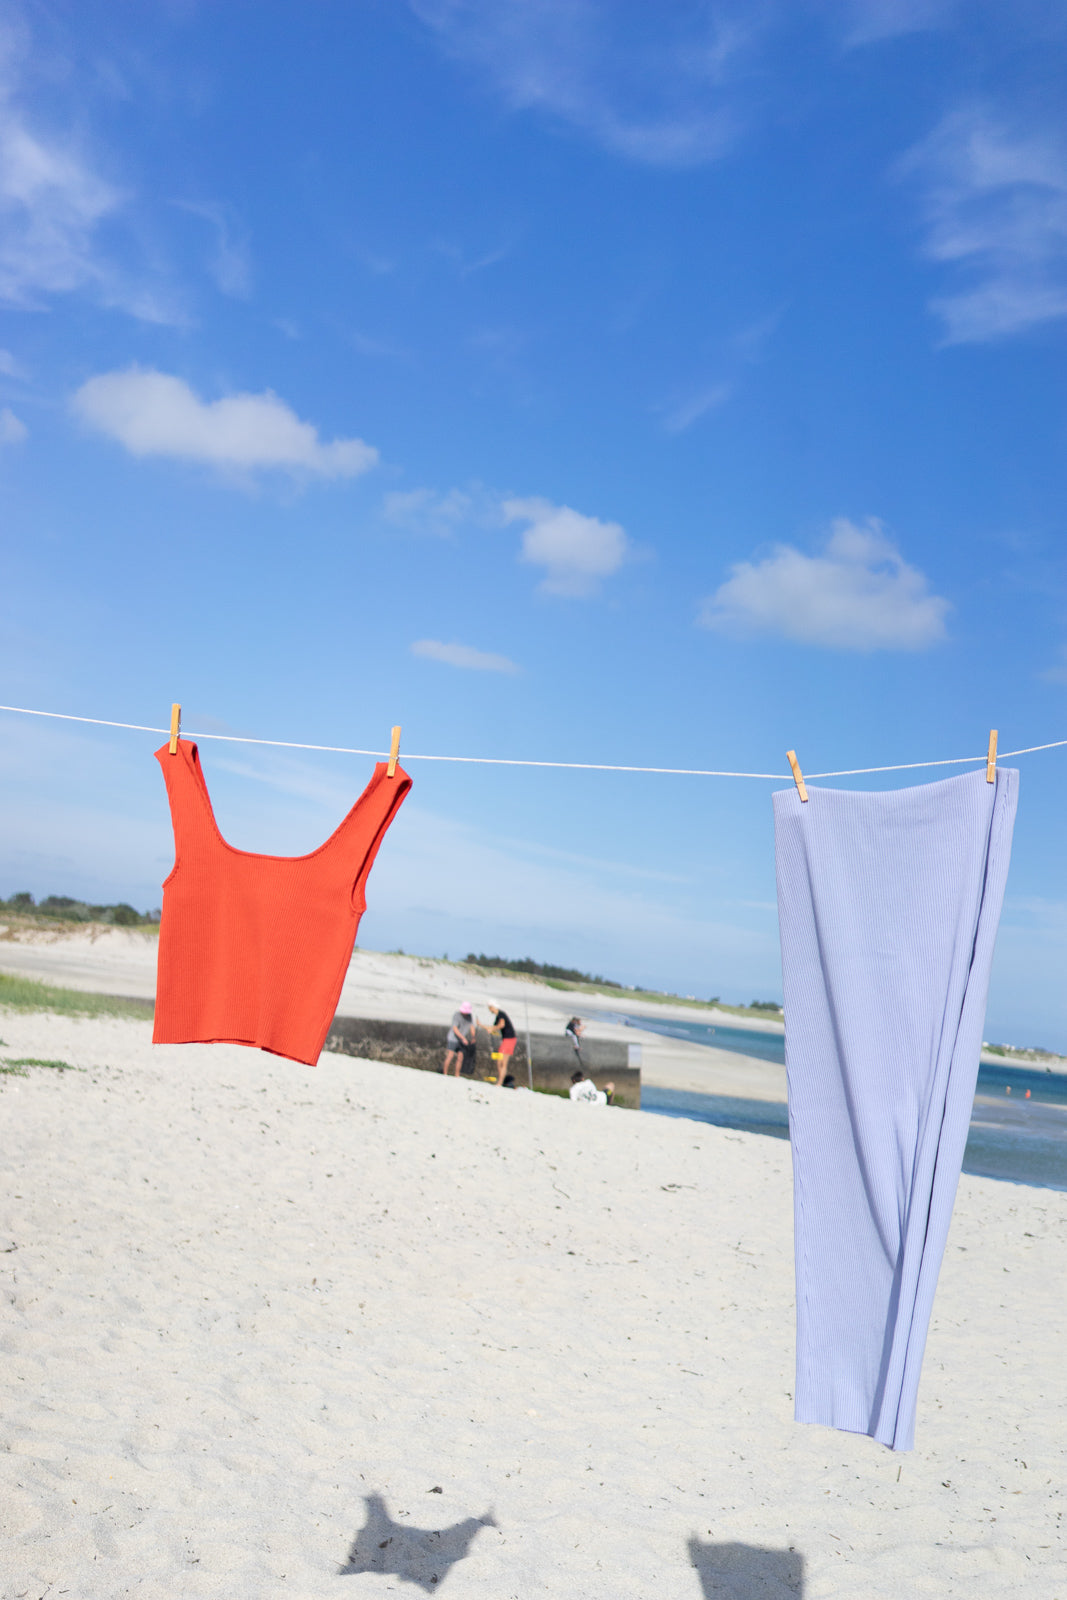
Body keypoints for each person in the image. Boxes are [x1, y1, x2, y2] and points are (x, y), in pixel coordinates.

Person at [486, 999, 517, 1086]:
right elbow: (495, 1027)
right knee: (500, 1062)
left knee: (502, 1062)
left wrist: (492, 1029)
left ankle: (500, 1082)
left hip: (509, 1039)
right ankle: (500, 1081)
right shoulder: (498, 1016)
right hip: (507, 1039)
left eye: (489, 1008)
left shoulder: (501, 1014)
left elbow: (501, 1025)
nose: (489, 1010)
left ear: (492, 1007)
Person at [443, 1002, 476, 1076]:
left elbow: (471, 1026)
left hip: (462, 1040)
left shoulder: (469, 1016)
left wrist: (473, 1036)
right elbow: (455, 1029)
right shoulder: (457, 1015)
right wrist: (463, 1038)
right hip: (453, 1038)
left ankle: (457, 1075)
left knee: (460, 1057)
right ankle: (445, 1073)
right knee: (450, 1055)